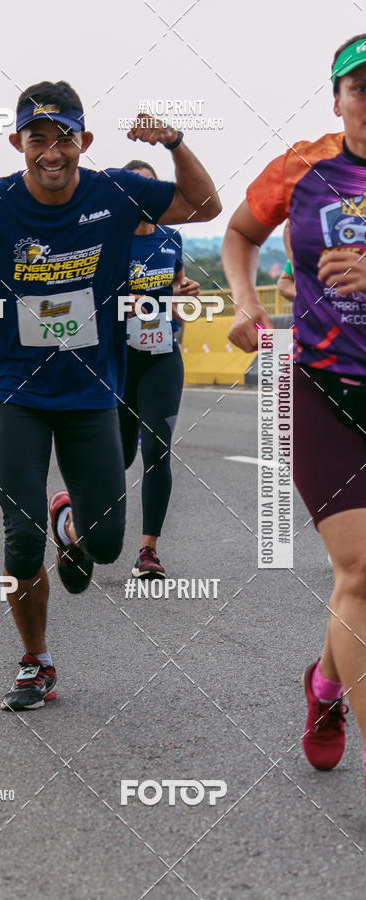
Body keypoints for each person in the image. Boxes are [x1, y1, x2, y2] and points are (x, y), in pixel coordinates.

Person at [0, 80, 221, 709]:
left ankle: (70, 521)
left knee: (106, 546)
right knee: (18, 537)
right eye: (37, 138)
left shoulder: (115, 192)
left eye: (63, 137)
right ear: (18, 143)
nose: (51, 151)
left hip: (92, 392)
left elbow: (203, 206)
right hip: (16, 391)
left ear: (84, 142)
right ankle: (36, 661)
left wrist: (175, 141)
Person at [222, 34, 366, 790]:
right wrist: (246, 306)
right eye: (362, 88)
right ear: (337, 97)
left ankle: (325, 687)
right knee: (361, 568)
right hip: (324, 387)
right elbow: (241, 233)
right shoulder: (303, 168)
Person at [119, 159, 201, 578]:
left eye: (151, 189)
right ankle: (78, 525)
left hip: (162, 356)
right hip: (115, 360)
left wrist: (183, 292)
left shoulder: (172, 237)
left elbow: (178, 294)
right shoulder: (109, 240)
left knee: (156, 450)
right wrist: (124, 303)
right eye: (136, 190)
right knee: (115, 457)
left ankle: (148, 550)